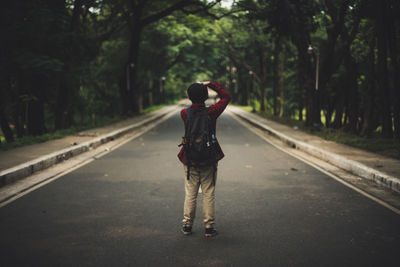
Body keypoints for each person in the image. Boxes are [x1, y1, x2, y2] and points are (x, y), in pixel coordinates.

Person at [178, 81, 231, 237]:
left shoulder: (184, 113)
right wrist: (212, 84)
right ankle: (209, 227)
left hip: (190, 158)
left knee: (190, 193)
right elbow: (227, 97)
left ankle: (187, 226)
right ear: (206, 96)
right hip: (209, 157)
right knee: (208, 192)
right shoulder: (212, 112)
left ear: (189, 97)